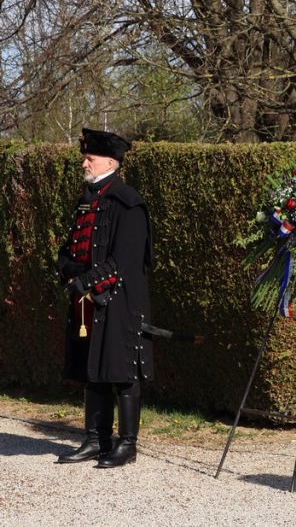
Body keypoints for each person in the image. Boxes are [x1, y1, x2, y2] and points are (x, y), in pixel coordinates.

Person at [55, 128, 153, 468]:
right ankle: (96, 439)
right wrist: (67, 269)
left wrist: (87, 281)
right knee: (90, 367)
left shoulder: (128, 202)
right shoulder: (88, 199)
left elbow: (124, 261)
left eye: (90, 158)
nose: (84, 162)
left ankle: (127, 445)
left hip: (118, 300)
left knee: (123, 371)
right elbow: (74, 247)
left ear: (109, 162)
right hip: (85, 299)